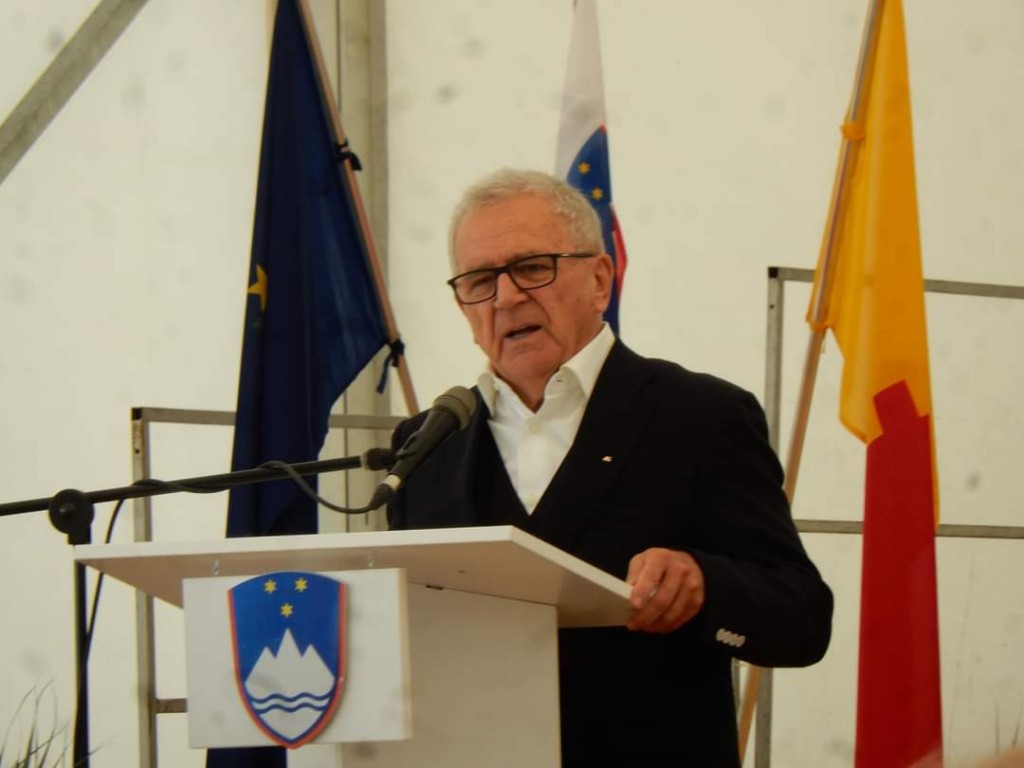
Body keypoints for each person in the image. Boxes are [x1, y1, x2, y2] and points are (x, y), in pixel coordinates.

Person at [386, 167, 833, 767]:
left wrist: (705, 583)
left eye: (532, 268)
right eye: (479, 281)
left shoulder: (701, 416)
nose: (506, 297)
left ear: (600, 279)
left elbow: (802, 619)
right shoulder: (425, 444)